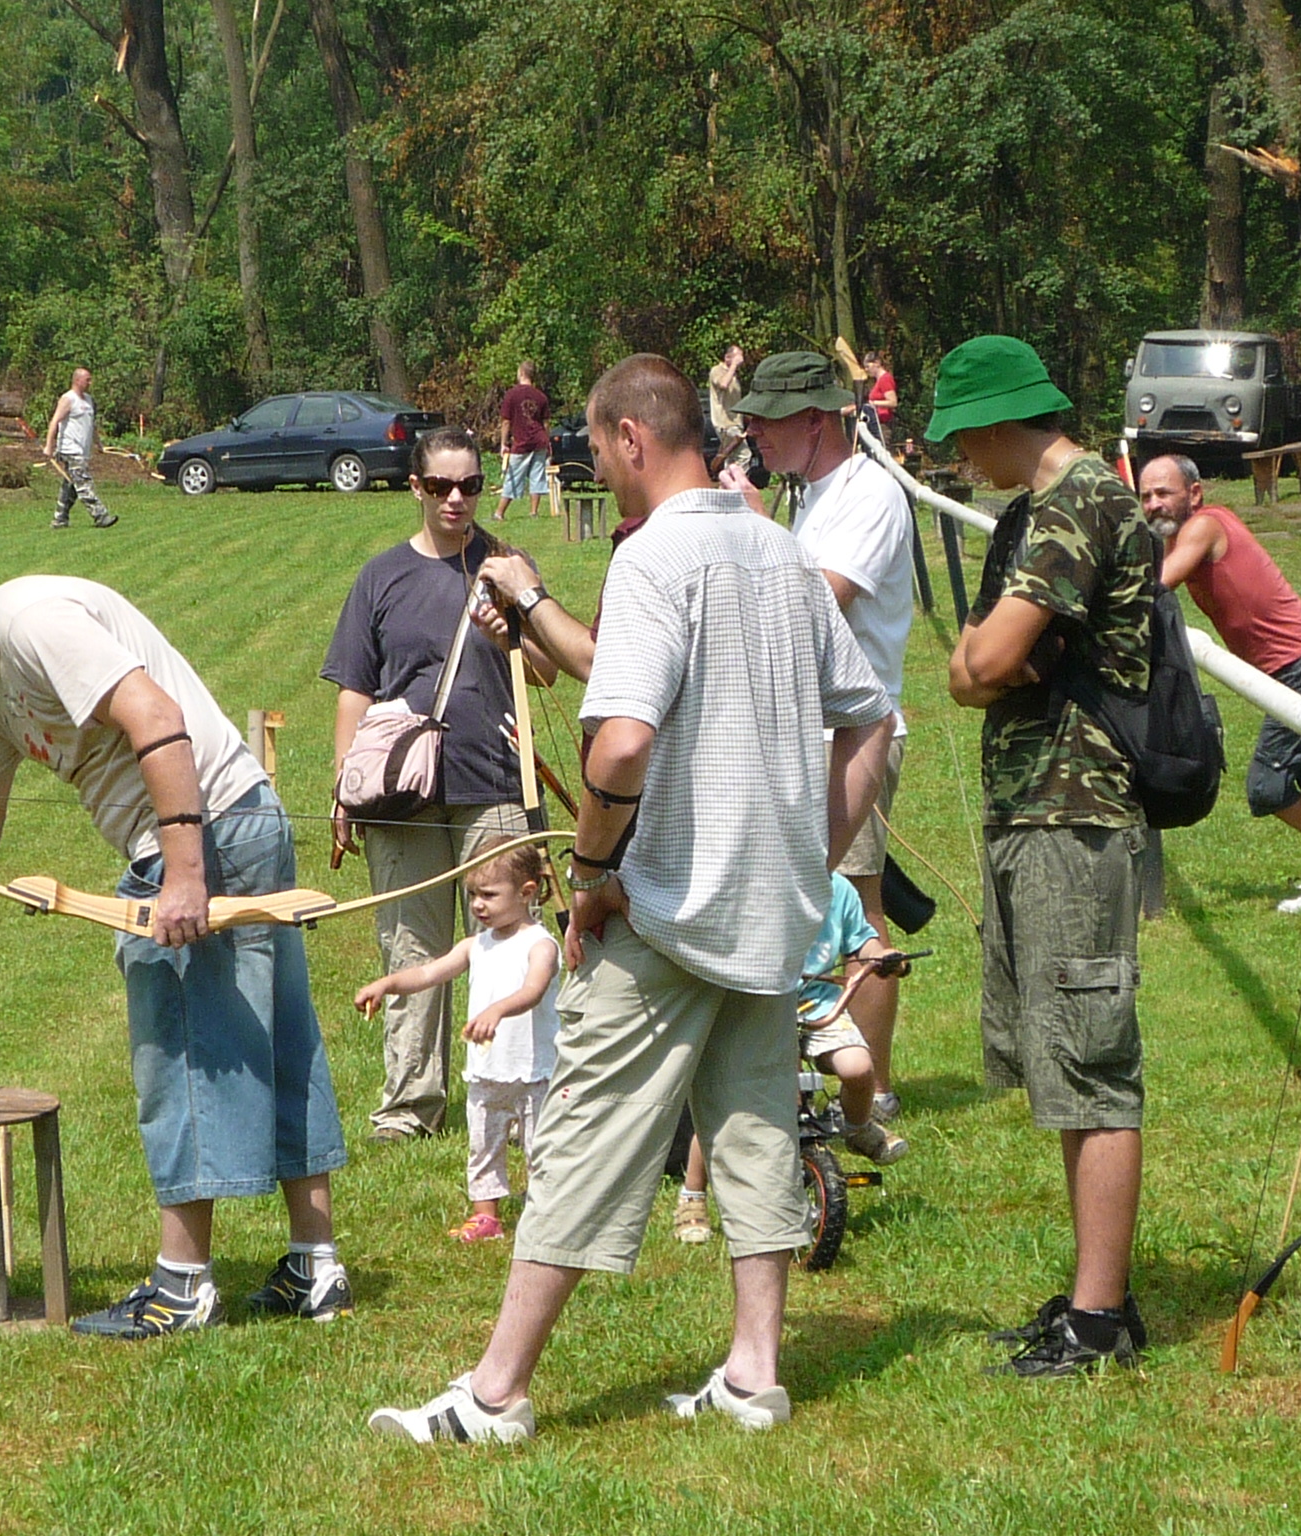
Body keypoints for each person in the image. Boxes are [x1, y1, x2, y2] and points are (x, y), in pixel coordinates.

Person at [367, 354, 894, 1443]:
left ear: (630, 438)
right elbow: (869, 718)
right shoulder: (781, 549)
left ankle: (495, 1395)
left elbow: (619, 745)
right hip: (767, 913)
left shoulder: (656, 556)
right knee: (754, 1129)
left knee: (579, 1133)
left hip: (666, 910)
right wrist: (810, 861)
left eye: (599, 449)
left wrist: (593, 874)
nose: (598, 469)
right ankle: (754, 1375)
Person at [0, 556, 348, 1337]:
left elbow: (156, 716)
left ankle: (183, 1286)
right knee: (274, 1043)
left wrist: (183, 875)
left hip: (204, 834)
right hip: (234, 820)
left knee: (178, 1053)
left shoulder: (35, 621)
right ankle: (315, 1267)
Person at [936, 335, 1150, 1377]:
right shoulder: (1039, 508)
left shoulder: (1077, 505)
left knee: (1091, 1066)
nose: (958, 456)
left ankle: (1099, 1320)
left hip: (1075, 811)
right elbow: (966, 671)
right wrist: (983, 662)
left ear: (995, 420)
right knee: (1063, 1063)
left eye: (961, 434)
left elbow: (983, 655)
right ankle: (1089, 1297)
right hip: (1034, 808)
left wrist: (987, 661)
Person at [325, 428, 555, 1141]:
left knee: (510, 946)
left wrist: (506, 636)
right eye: (440, 486)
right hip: (401, 793)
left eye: (471, 486)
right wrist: (344, 785)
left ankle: (517, 1098)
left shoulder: (508, 566)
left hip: (494, 783)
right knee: (411, 949)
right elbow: (355, 690)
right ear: (416, 489)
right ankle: (410, 1106)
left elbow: (550, 671)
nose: (456, 499)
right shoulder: (381, 577)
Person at [728, 349, 917, 1126]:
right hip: (810, 734)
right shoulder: (817, 494)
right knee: (814, 902)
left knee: (855, 912)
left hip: (856, 734)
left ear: (815, 421)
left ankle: (870, 1092)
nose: (753, 435)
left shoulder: (870, 495)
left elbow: (817, 606)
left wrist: (755, 533)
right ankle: (825, 1072)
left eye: (766, 422)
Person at [1138, 455, 1301, 913]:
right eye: (1146, 497)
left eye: (1163, 493)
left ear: (1194, 494)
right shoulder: (1179, 534)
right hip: (1293, 666)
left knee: (1267, 786)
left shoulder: (1205, 526)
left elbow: (1158, 585)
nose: (1154, 504)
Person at [671, 873, 909, 1229]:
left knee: (858, 1068)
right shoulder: (757, 884)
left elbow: (863, 942)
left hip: (820, 1006)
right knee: (732, 1105)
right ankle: (693, 1193)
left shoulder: (838, 888)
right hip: (762, 1007)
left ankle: (858, 1128)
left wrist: (882, 956)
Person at [354, 838, 561, 1243]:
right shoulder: (475, 945)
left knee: (542, 1148)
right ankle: (486, 1217)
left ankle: (547, 1214)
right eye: (472, 895)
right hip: (486, 1070)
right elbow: (428, 974)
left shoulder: (540, 945)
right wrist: (387, 984)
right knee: (483, 1145)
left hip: (534, 1071)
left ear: (527, 892)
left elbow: (534, 989)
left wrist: (498, 1010)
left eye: (489, 895)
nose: (478, 905)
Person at [43, 367, 118, 530]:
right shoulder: (68, 399)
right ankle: (101, 516)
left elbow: (91, 425)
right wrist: (49, 446)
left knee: (71, 485)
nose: (90, 383)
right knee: (83, 482)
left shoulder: (88, 400)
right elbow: (54, 421)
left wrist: (99, 444)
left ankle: (59, 519)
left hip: (83, 451)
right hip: (70, 449)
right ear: (77, 380)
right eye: (87, 380)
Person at [494, 362, 553, 520]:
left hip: (522, 442)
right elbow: (546, 423)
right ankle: (533, 512)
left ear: (521, 373)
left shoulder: (511, 395)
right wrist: (547, 442)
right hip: (539, 440)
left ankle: (499, 513)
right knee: (537, 476)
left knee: (513, 477)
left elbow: (506, 422)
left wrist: (503, 443)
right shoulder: (541, 396)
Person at [708, 344, 746, 457]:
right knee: (744, 455)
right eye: (737, 357)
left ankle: (727, 469)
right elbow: (723, 384)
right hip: (725, 424)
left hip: (735, 423)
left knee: (730, 457)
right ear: (727, 357)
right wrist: (733, 365)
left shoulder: (733, 375)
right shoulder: (717, 371)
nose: (740, 360)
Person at [863, 349, 899, 446]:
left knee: (882, 450)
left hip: (883, 424)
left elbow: (893, 402)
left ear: (877, 363)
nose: (866, 369)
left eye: (868, 366)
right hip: (876, 422)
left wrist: (873, 403)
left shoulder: (885, 379)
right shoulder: (878, 380)